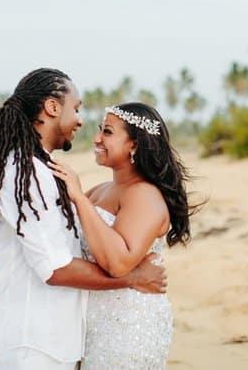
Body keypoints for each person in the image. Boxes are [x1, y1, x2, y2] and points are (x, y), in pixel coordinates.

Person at [0, 70, 166, 370]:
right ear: (53, 108)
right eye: (77, 108)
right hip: (32, 339)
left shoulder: (45, 169)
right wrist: (132, 278)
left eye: (106, 131)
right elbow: (55, 267)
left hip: (58, 338)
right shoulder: (25, 171)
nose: (81, 122)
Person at [49, 102, 197, 369]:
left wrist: (79, 199)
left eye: (107, 132)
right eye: (99, 130)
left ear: (135, 145)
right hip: (95, 322)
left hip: (130, 327)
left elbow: (117, 263)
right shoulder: (102, 190)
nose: (96, 138)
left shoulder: (144, 194)